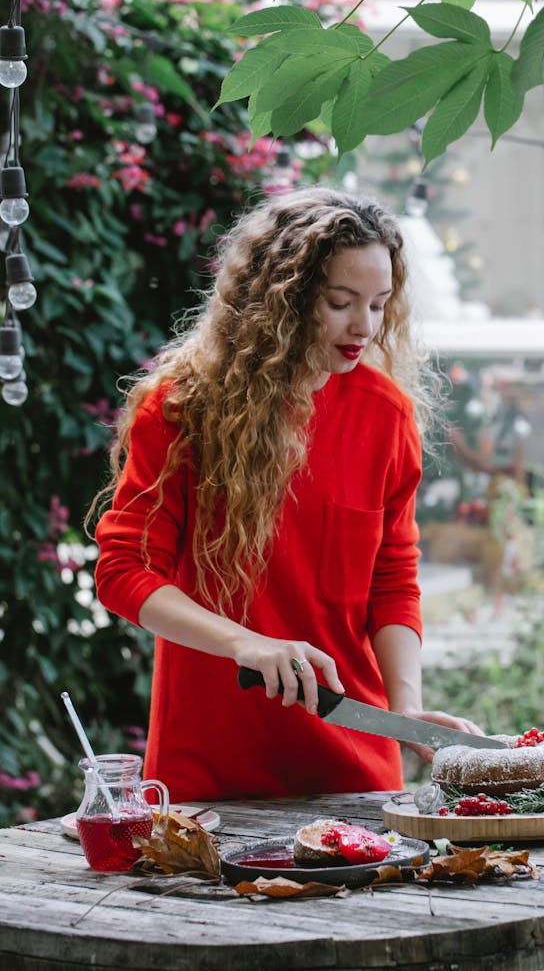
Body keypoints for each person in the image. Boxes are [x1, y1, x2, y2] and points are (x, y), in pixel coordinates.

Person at [92, 186, 483, 803]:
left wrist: (406, 712)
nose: (365, 327)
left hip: (353, 767)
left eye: (379, 305)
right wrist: (246, 643)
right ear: (283, 297)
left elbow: (392, 581)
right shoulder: (182, 410)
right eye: (340, 302)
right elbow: (123, 572)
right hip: (209, 768)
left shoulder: (386, 417)